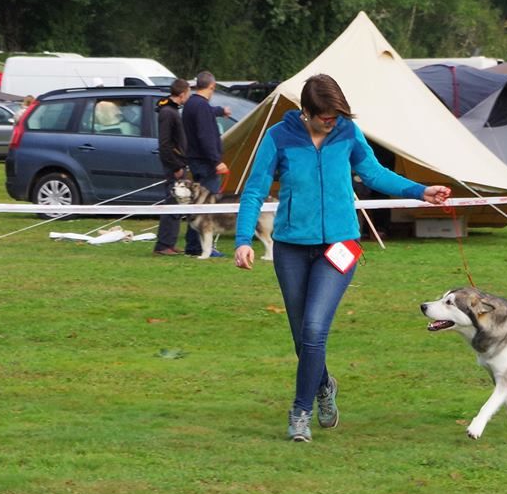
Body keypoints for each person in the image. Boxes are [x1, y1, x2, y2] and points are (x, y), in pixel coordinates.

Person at [233, 74, 451, 442]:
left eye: (336, 116)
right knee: (303, 337)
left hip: (340, 247)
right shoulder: (278, 138)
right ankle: (324, 385)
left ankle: (300, 413)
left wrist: (421, 191)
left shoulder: (348, 133)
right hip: (291, 248)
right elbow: (254, 190)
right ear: (306, 112)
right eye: (325, 117)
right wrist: (243, 240)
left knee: (315, 330)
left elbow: (375, 173)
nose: (331, 122)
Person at [182, 70, 231, 257]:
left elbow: (206, 113)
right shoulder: (201, 106)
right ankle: (200, 247)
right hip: (206, 163)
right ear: (212, 86)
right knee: (207, 206)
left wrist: (220, 111)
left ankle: (193, 245)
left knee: (196, 204)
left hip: (195, 161)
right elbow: (205, 136)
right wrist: (216, 161)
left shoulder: (192, 104)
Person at [153, 79, 191, 255]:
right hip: (174, 165)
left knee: (176, 202)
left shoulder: (172, 111)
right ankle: (163, 245)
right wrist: (176, 165)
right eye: (188, 93)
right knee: (171, 201)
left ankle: (170, 242)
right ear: (182, 94)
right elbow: (165, 144)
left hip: (178, 162)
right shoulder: (168, 113)